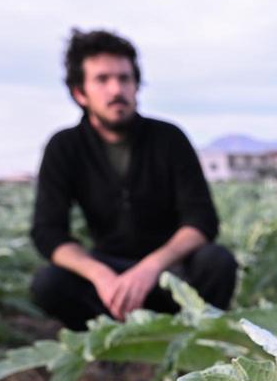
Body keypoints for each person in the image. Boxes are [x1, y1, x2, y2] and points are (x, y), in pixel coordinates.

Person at [30, 28, 237, 330]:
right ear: (79, 92)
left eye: (125, 78)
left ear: (136, 85)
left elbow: (202, 221)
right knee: (49, 283)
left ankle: (195, 345)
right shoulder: (64, 147)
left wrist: (150, 268)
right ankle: (107, 347)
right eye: (102, 79)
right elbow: (48, 232)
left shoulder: (169, 138)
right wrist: (100, 275)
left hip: (170, 274)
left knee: (217, 262)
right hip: (109, 277)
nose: (116, 89)